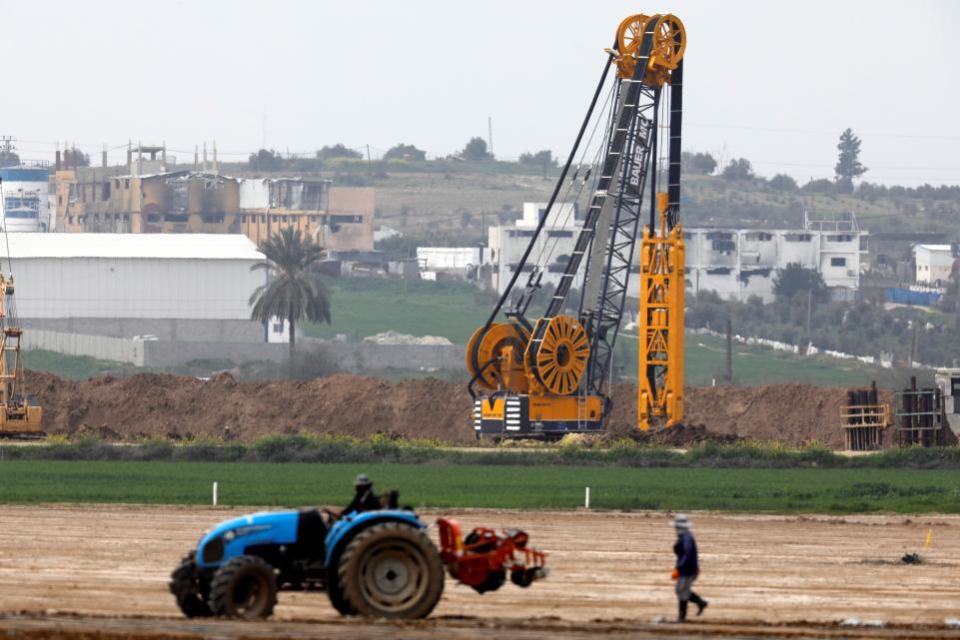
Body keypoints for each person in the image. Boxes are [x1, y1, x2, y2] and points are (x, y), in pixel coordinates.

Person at [672, 514, 707, 622]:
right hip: (686, 569)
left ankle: (682, 617)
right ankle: (700, 603)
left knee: (681, 591)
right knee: (681, 590)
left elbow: (687, 554)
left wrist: (679, 567)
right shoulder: (684, 537)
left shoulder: (687, 537)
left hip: (688, 570)